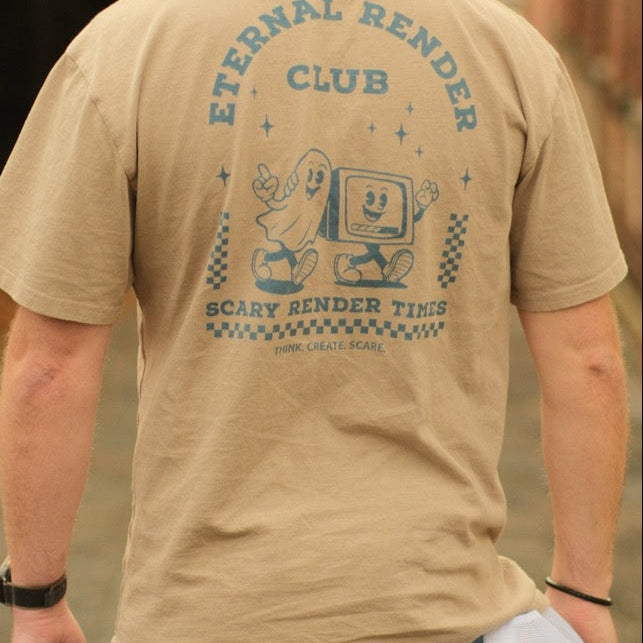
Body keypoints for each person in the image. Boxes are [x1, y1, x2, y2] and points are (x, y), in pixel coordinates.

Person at [0, 0, 630, 641]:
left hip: (204, 611)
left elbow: (48, 370)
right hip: (446, 605)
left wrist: (37, 603)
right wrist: (583, 595)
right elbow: (589, 363)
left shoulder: (125, 50)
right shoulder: (511, 56)